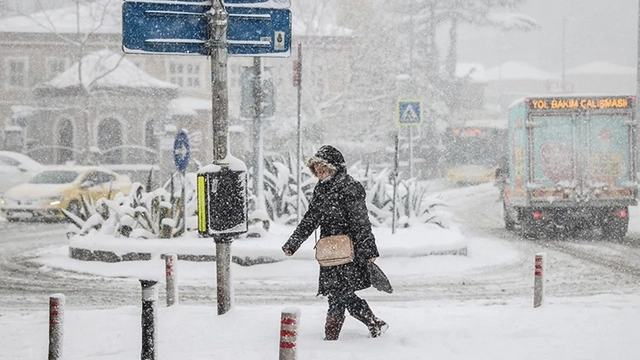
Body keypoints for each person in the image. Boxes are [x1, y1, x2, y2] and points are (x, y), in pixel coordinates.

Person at [282, 145, 388, 341]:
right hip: (330, 251)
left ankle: (333, 337)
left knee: (339, 293)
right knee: (338, 293)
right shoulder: (321, 189)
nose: (319, 171)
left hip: (349, 250)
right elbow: (311, 219)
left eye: (323, 167)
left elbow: (361, 221)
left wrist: (369, 250)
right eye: (316, 168)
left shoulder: (349, 187)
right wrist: (292, 244)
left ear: (334, 167)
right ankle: (371, 323)